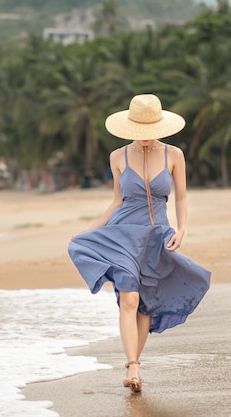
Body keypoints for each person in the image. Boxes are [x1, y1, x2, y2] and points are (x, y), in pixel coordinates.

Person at [67, 94, 211, 393]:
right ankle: (132, 366)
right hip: (123, 235)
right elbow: (117, 201)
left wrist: (182, 229)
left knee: (145, 306)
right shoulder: (118, 157)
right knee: (129, 300)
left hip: (157, 236)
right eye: (140, 134)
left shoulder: (175, 155)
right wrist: (89, 230)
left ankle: (136, 367)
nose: (145, 140)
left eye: (151, 133)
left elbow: (181, 197)